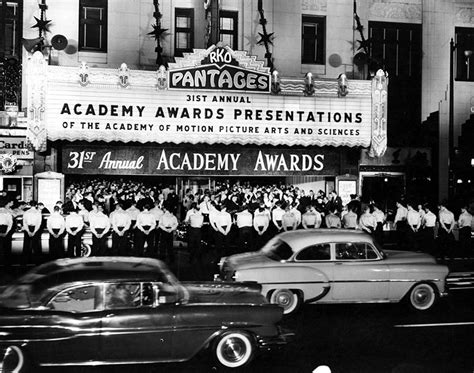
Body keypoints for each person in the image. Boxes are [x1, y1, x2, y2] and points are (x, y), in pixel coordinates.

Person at [22, 200, 43, 265]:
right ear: (36, 205)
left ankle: (24, 262)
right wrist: (34, 231)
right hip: (35, 228)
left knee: (26, 246)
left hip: (27, 228)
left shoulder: (26, 212)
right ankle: (37, 262)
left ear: (30, 205)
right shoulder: (38, 213)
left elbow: (24, 222)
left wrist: (28, 231)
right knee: (36, 246)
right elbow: (38, 223)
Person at [0, 199, 14, 265]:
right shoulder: (8, 212)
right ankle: (7, 262)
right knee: (7, 247)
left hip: (1, 228)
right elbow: (10, 223)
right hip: (5, 228)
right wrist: (7, 232)